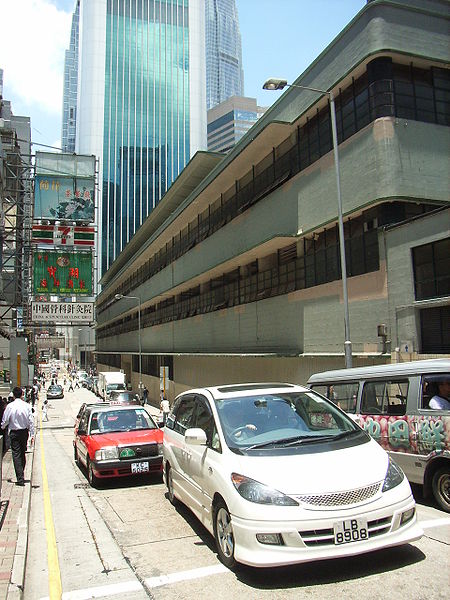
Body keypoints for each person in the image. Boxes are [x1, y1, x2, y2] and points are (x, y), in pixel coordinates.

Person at [1, 386, 35, 486]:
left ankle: (20, 477)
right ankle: (21, 473)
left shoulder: (10, 406)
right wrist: (32, 434)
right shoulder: (27, 406)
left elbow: (5, 420)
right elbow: (31, 421)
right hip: (24, 432)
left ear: (13, 395)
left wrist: (2, 427)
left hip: (14, 433)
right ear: (22, 394)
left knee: (16, 454)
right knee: (22, 453)